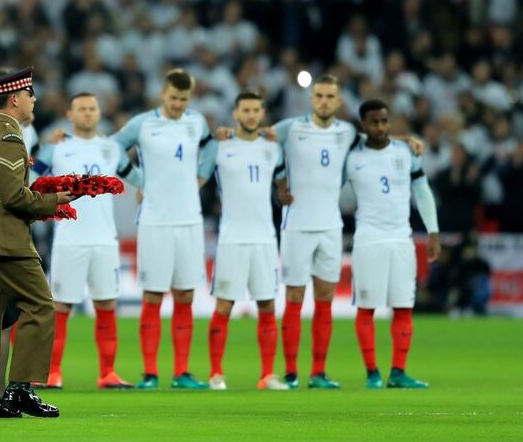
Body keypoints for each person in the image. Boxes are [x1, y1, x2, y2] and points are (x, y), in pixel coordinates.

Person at [0, 67, 72, 419]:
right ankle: (20, 389)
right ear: (16, 98)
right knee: (40, 306)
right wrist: (54, 201)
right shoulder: (9, 137)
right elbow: (12, 197)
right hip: (4, 237)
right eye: (30, 94)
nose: (34, 99)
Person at [113, 68, 214, 390]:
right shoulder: (144, 123)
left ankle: (182, 371)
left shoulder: (196, 121)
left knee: (185, 294)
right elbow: (113, 146)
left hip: (190, 220)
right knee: (153, 295)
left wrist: (202, 175)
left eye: (183, 99)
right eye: (173, 98)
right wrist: (137, 180)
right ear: (163, 94)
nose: (177, 105)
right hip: (155, 220)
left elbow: (210, 148)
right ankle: (150, 373)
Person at [32, 92, 140, 389]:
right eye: (82, 109)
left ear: (99, 112)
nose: (88, 113)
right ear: (70, 114)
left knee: (106, 303)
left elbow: (137, 178)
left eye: (93, 108)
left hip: (105, 239)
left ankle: (108, 373)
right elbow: (30, 178)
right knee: (61, 307)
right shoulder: (56, 148)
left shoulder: (111, 148)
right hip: (69, 239)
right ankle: (52, 372)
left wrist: (148, 189)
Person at [345, 99, 441, 389]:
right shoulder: (350, 157)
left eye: (384, 121)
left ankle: (398, 372)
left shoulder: (405, 152)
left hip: (402, 238)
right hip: (368, 239)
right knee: (367, 307)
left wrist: (433, 231)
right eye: (373, 122)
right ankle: (372, 372)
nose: (380, 127)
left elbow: (422, 191)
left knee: (403, 306)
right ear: (363, 125)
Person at [271, 75, 359, 389]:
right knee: (295, 297)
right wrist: (280, 179)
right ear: (311, 99)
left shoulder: (346, 132)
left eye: (329, 96)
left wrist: (407, 140)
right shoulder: (292, 128)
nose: (323, 101)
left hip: (331, 226)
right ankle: (292, 372)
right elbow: (258, 138)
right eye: (318, 95)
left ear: (338, 101)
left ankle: (318, 372)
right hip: (296, 225)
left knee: (325, 299)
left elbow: (376, 142)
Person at [198, 91, 290, 391]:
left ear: (262, 114)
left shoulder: (272, 148)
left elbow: (281, 184)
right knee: (224, 306)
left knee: (267, 306)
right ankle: (216, 374)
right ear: (235, 113)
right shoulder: (221, 146)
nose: (251, 115)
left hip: (265, 239)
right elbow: (197, 168)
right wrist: (210, 136)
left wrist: (284, 193)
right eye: (245, 110)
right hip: (232, 239)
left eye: (256, 110)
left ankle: (267, 375)